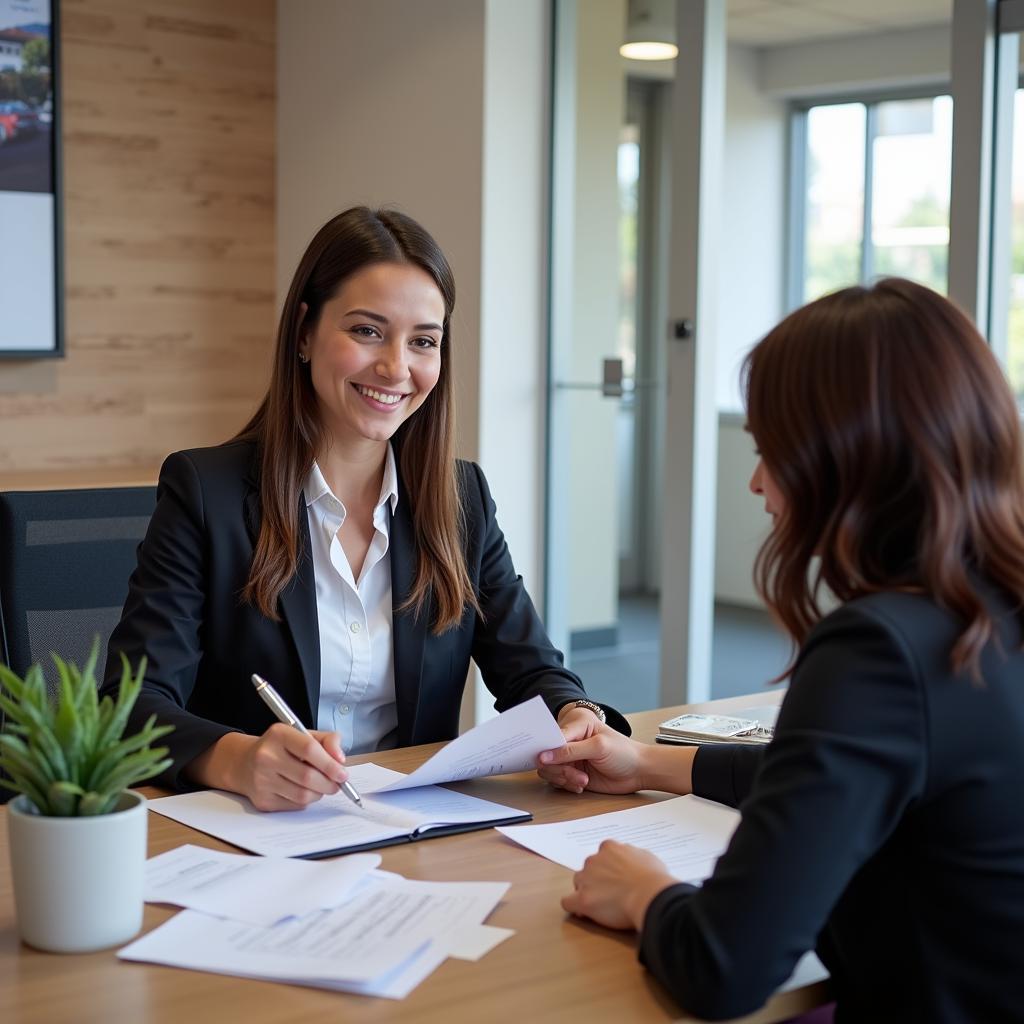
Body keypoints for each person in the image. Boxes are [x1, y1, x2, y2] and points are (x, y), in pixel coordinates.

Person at [537, 278, 1024, 1022]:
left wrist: (644, 892)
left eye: (772, 452)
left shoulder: (879, 651)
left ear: (848, 459)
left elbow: (724, 968)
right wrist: (648, 765)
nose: (759, 483)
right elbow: (839, 771)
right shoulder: (989, 609)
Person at [101, 206, 626, 811]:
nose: (396, 368)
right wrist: (238, 759)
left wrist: (574, 715)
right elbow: (131, 706)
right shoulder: (205, 491)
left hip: (413, 828)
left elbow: (532, 670)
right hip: (254, 833)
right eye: (367, 331)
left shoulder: (462, 500)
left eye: (423, 342)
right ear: (303, 332)